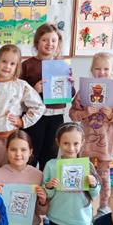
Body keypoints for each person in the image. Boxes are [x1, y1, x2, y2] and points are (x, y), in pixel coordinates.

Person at [69, 52, 113, 217]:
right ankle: (83, 205)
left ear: (112, 69)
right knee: (84, 174)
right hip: (86, 143)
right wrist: (85, 113)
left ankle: (103, 207)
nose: (101, 72)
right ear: (91, 69)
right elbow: (72, 114)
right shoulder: (84, 91)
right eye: (97, 68)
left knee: (104, 176)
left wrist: (111, 115)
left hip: (105, 143)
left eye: (106, 69)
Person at [0, 44, 44, 169]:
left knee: (5, 171)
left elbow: (39, 106)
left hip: (8, 138)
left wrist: (23, 121)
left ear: (17, 66)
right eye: (4, 61)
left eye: (12, 63)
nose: (7, 66)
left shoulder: (20, 86)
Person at [44, 123, 100, 225]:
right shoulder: (51, 165)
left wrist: (93, 184)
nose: (71, 148)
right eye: (66, 143)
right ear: (58, 142)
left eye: (76, 143)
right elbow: (47, 194)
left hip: (80, 218)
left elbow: (94, 194)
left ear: (82, 143)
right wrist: (49, 186)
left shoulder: (87, 165)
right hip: (57, 215)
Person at [21, 23, 73, 170]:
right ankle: (29, 183)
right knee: (31, 154)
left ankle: (46, 183)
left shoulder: (62, 65)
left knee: (50, 155)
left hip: (56, 116)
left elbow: (70, 95)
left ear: (58, 43)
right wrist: (34, 90)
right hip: (34, 116)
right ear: (37, 42)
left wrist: (70, 86)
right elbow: (17, 94)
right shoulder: (27, 65)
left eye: (53, 40)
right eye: (45, 40)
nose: (49, 43)